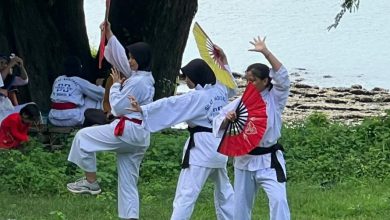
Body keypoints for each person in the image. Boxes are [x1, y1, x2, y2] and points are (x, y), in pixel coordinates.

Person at [129, 51, 236, 219]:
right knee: (225, 191)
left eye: (188, 77)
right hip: (220, 148)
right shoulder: (220, 90)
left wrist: (144, 109)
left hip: (201, 149)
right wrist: (224, 61)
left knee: (186, 194)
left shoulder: (196, 97)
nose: (186, 81)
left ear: (196, 76)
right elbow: (231, 84)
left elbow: (171, 104)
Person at [66, 20, 155, 220]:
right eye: (130, 57)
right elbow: (120, 58)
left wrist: (115, 86)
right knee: (128, 183)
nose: (129, 61)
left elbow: (117, 107)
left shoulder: (138, 82)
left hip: (128, 131)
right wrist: (109, 33)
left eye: (133, 58)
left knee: (83, 137)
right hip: (139, 136)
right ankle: (130, 217)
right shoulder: (144, 77)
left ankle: (91, 182)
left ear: (140, 59)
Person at [213, 36, 291, 220]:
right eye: (247, 80)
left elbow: (284, 78)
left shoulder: (275, 98)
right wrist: (227, 119)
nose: (249, 84)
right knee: (241, 208)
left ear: (265, 81)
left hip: (269, 159)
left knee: (279, 200)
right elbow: (218, 120)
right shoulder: (242, 101)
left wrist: (265, 52)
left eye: (253, 80)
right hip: (245, 157)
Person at [48, 56, 105, 127]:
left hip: (53, 118)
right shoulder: (78, 81)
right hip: (72, 119)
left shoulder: (58, 79)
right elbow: (101, 93)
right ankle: (98, 122)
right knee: (96, 98)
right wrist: (99, 85)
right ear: (78, 68)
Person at [0, 54, 33, 122]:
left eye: (5, 63)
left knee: (32, 106)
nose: (3, 65)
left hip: (7, 109)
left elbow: (24, 80)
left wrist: (21, 67)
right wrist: (10, 64)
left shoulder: (8, 77)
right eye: (0, 63)